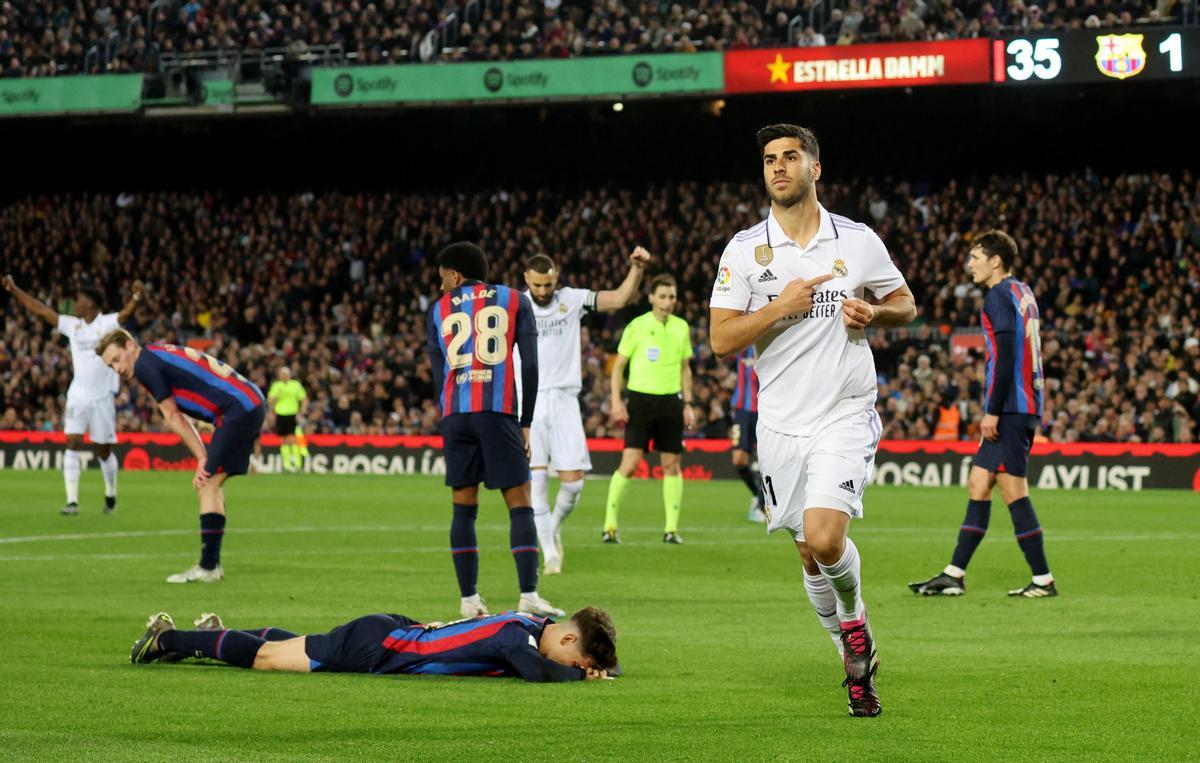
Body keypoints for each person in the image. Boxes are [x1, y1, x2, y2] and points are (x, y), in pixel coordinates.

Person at [707, 124, 916, 717]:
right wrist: (780, 306)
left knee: (828, 538)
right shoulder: (745, 250)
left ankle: (855, 625)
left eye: (790, 157)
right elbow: (722, 339)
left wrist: (873, 311)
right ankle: (853, 657)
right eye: (770, 159)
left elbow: (906, 304)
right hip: (778, 424)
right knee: (808, 554)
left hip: (844, 411)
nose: (778, 167)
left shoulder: (856, 239)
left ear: (815, 168)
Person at [908, 230, 1056, 599]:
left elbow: (1005, 355)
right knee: (979, 483)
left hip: (1010, 408)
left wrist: (992, 412)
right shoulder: (1023, 292)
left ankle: (1043, 579)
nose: (969, 265)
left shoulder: (998, 295)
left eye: (975, 258)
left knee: (1014, 492)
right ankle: (954, 573)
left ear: (996, 261)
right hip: (1023, 403)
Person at [426, 242, 564, 619]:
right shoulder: (514, 300)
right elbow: (531, 366)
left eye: (443, 280)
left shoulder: (437, 309)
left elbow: (439, 376)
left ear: (455, 276)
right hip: (497, 409)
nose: (441, 288)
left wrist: (449, 415)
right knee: (520, 502)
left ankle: (469, 601)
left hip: (456, 414)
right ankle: (529, 595)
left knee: (463, 509)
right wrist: (526, 423)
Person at [96, 329, 266, 583]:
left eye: (117, 359)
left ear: (130, 345)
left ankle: (208, 567)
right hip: (247, 403)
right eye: (111, 365)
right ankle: (212, 565)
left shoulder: (144, 364)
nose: (117, 368)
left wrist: (201, 457)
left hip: (237, 409)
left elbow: (173, 415)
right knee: (211, 485)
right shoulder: (155, 354)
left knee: (206, 483)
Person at [522, 247, 651, 575]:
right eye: (536, 286)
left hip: (565, 400)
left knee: (573, 484)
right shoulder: (515, 305)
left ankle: (551, 528)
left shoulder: (573, 299)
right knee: (535, 481)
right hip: (530, 402)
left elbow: (619, 298)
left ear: (556, 281)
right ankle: (549, 553)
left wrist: (636, 269)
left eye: (547, 285)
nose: (542, 292)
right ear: (527, 281)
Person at [130, 606, 618, 682]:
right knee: (268, 660)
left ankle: (215, 633)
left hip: (390, 635)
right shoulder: (519, 637)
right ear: (568, 637)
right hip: (381, 646)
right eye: (573, 656)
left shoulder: (532, 622)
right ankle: (170, 637)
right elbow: (531, 667)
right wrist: (576, 675)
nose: (569, 664)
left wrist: (591, 668)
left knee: (298, 645)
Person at [2, 275, 143, 515]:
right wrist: (14, 290)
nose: (75, 303)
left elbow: (125, 315)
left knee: (103, 450)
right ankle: (72, 501)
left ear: (90, 303)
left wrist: (137, 297)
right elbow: (40, 310)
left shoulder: (106, 324)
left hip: (102, 398)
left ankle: (110, 494)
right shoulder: (73, 325)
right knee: (72, 442)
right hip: (78, 395)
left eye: (79, 299)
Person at [603, 274, 697, 545]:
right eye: (664, 296)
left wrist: (687, 404)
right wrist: (616, 401)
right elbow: (618, 367)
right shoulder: (637, 326)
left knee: (671, 464)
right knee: (630, 463)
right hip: (641, 401)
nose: (669, 302)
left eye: (673, 297)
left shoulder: (681, 327)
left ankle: (671, 530)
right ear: (651, 298)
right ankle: (609, 526)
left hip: (671, 401)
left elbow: (685, 368)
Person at [730, 346, 766, 523]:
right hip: (742, 411)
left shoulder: (773, 339)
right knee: (738, 460)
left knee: (766, 459)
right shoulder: (742, 345)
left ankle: (761, 504)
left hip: (766, 409)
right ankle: (757, 495)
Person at [267, 366, 308, 472]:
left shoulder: (295, 385)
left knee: (292, 438)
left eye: (286, 374)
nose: (284, 376)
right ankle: (287, 464)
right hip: (280, 414)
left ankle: (297, 463)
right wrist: (276, 396)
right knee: (283, 439)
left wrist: (303, 409)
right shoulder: (276, 386)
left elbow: (303, 398)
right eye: (282, 374)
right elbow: (270, 401)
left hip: (292, 414)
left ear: (289, 375)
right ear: (280, 375)